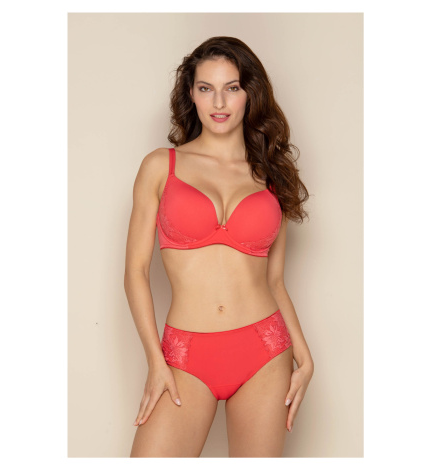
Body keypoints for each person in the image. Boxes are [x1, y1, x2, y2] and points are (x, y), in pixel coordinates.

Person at [124, 36, 314, 458]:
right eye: (206, 88)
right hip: (184, 356)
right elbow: (135, 272)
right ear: (191, 94)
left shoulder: (271, 176)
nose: (219, 102)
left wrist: (305, 357)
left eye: (232, 87)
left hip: (266, 352)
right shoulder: (160, 166)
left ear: (250, 94)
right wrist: (155, 362)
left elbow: (275, 281)